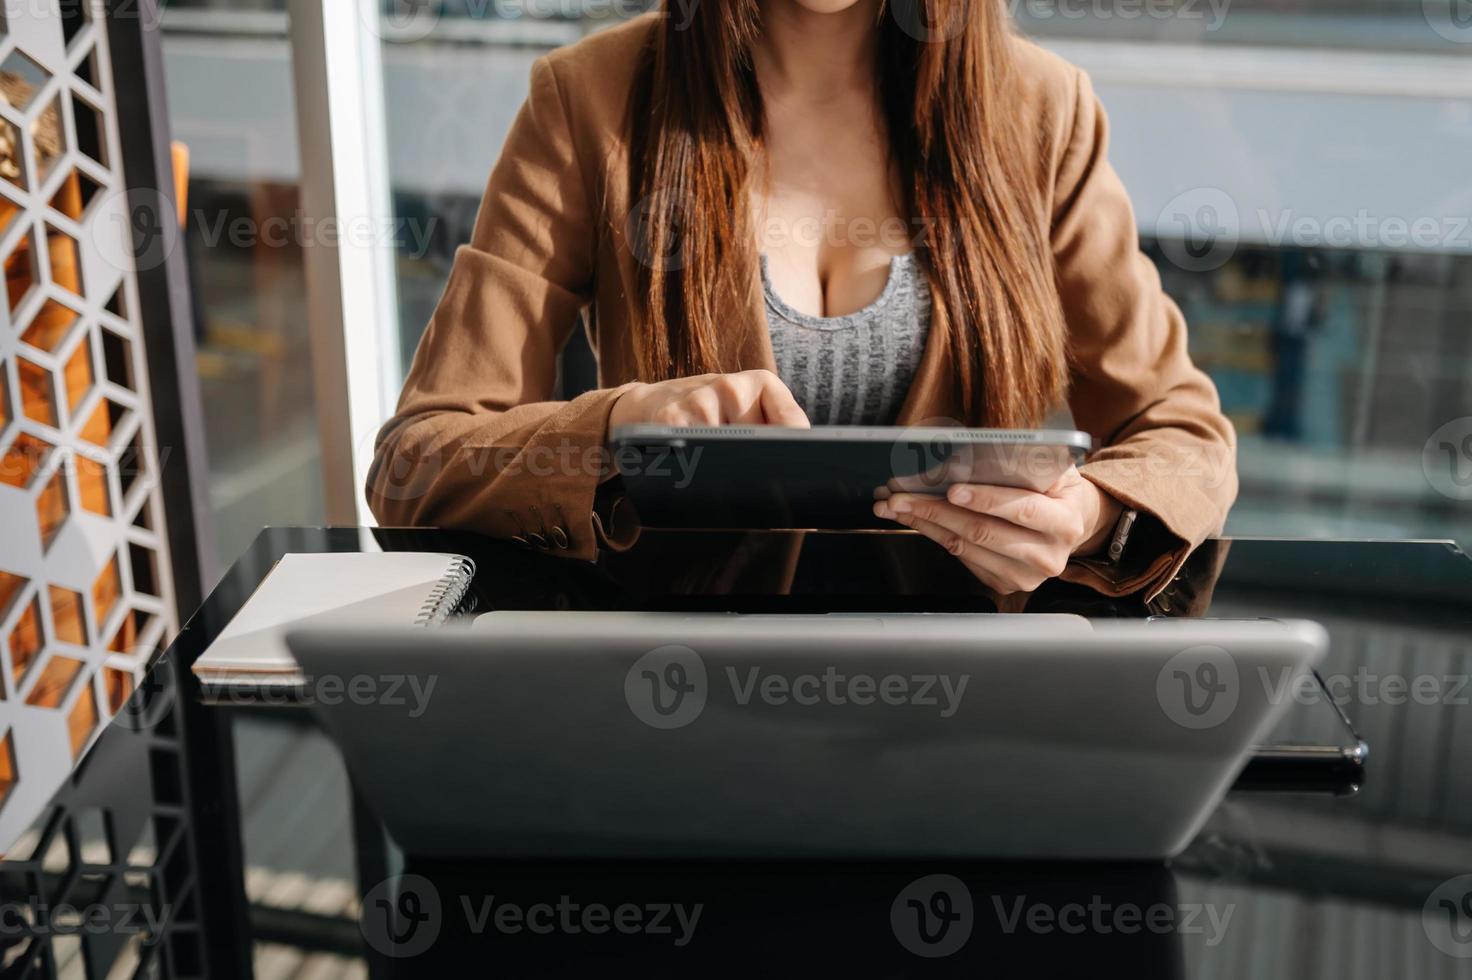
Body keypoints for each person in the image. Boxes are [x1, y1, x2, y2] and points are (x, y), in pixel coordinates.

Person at [368, 1, 1237, 599]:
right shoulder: (590, 100)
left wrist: (1085, 516)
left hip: (965, 702)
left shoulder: (1043, 111)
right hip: (675, 694)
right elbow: (417, 460)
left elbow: (1185, 433)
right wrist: (618, 432)